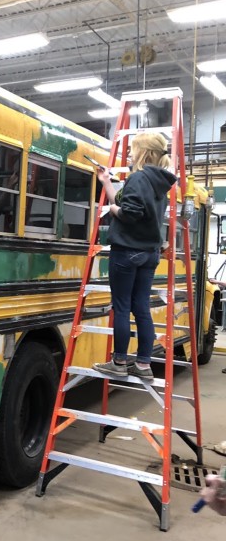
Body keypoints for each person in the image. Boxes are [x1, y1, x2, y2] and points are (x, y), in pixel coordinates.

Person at [93, 132, 177, 381]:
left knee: (121, 307)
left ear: (143, 152)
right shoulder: (159, 182)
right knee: (141, 307)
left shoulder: (138, 178)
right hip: (149, 254)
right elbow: (129, 204)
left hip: (127, 252)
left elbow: (129, 213)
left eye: (133, 149)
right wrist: (106, 182)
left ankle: (119, 361)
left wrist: (112, 209)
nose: (129, 153)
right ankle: (143, 364)